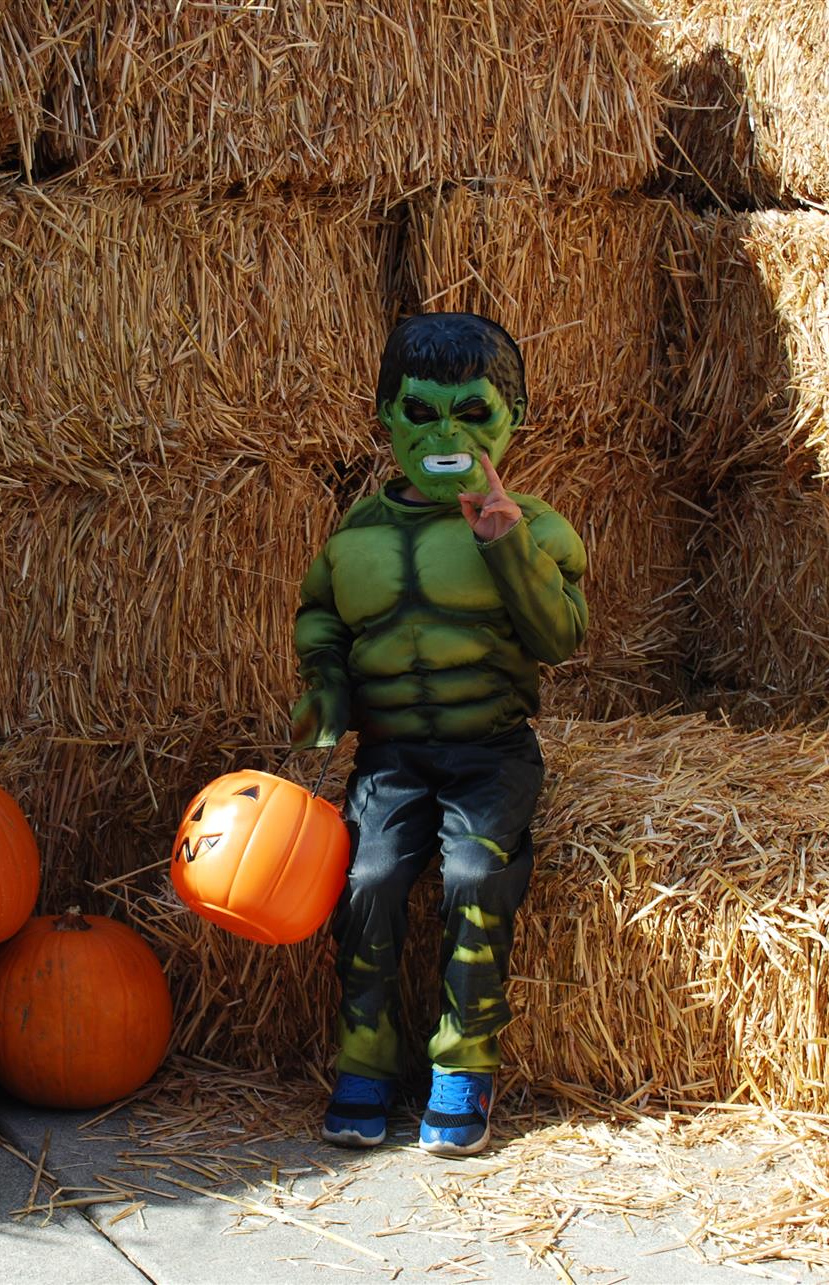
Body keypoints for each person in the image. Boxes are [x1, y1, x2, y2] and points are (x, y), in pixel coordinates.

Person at [289, 311, 589, 1155]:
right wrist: (323, 705)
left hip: (489, 750)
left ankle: (466, 1061)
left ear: (512, 420)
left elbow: (561, 638)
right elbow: (322, 623)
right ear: (385, 418)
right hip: (389, 758)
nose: (447, 434)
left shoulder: (539, 528)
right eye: (422, 414)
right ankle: (367, 1053)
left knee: (472, 873)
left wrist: (506, 545)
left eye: (472, 412)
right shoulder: (355, 538)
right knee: (370, 877)